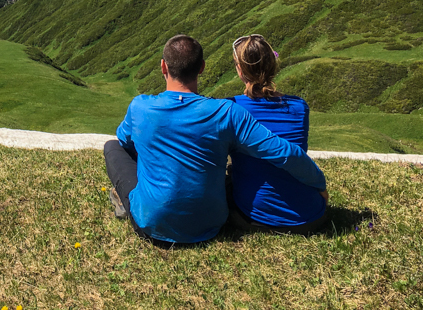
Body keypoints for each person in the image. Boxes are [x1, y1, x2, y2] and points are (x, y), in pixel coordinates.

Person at [103, 34, 327, 245]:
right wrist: (319, 184)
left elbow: (125, 142)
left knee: (113, 147)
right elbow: (283, 151)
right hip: (212, 223)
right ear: (201, 68)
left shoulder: (140, 106)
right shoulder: (227, 111)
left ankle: (128, 201)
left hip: (151, 224)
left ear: (163, 66)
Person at [227, 34, 328, 234]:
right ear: (273, 65)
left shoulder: (232, 108)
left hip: (255, 216)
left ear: (240, 70)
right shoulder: (300, 107)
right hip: (311, 216)